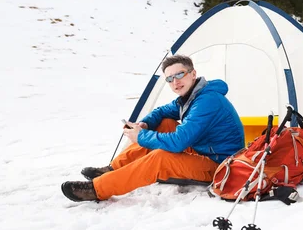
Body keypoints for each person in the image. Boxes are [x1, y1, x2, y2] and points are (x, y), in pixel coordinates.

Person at [61, 55, 245, 202]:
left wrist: (141, 136)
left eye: (179, 74)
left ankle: (98, 189)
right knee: (164, 122)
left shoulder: (207, 100)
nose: (175, 82)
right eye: (170, 78)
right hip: (202, 152)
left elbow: (178, 142)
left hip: (220, 165)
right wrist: (145, 124)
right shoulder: (191, 96)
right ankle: (112, 169)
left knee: (161, 158)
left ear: (193, 74)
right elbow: (162, 111)